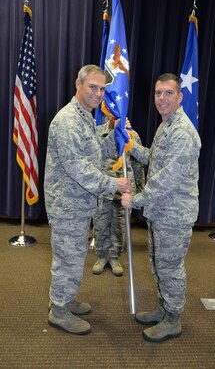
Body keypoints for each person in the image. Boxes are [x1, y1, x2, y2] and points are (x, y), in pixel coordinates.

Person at [44, 65, 131, 335]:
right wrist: (114, 184)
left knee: (75, 254)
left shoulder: (85, 117)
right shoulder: (68, 120)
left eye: (102, 88)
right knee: (68, 257)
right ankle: (58, 310)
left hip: (78, 204)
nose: (98, 93)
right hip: (67, 205)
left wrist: (114, 131)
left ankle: (65, 300)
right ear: (78, 85)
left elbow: (93, 154)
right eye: (93, 87)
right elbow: (78, 168)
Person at [122, 73, 201, 343]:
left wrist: (135, 200)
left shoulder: (182, 132)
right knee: (158, 264)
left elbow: (166, 180)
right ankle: (163, 308)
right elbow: (155, 160)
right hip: (161, 212)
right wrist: (133, 145)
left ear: (179, 97)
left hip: (174, 215)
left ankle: (173, 319)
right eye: (158, 93)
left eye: (168, 93)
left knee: (170, 268)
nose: (162, 98)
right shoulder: (166, 125)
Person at [92, 115, 145, 276]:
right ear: (106, 114)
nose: (114, 117)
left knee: (120, 224)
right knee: (100, 223)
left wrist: (140, 187)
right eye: (111, 114)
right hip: (103, 185)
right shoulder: (97, 132)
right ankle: (101, 256)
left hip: (124, 188)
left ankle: (115, 257)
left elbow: (137, 163)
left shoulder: (132, 134)